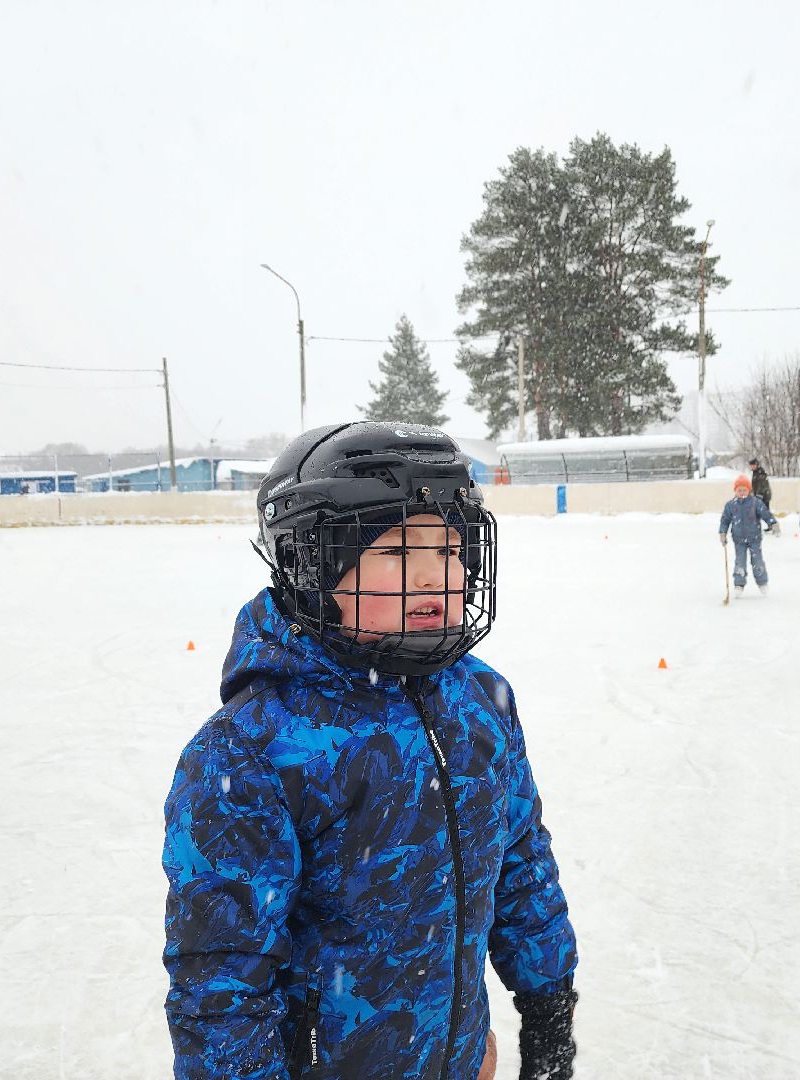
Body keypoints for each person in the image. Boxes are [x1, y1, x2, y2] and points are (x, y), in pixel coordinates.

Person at [162, 421, 579, 1080]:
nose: (436, 577)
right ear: (312, 565)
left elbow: (521, 861)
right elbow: (221, 985)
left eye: (450, 549)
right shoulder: (251, 752)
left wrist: (548, 1004)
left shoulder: (480, 701)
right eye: (397, 551)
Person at [719, 473, 780, 596]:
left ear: (749, 490)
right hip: (739, 540)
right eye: (739, 490)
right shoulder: (731, 505)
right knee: (740, 562)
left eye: (744, 490)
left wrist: (773, 523)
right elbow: (725, 520)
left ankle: (762, 582)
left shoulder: (755, 503)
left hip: (754, 538)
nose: (742, 492)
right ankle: (739, 584)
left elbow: (765, 514)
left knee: (757, 561)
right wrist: (723, 533)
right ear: (735, 491)